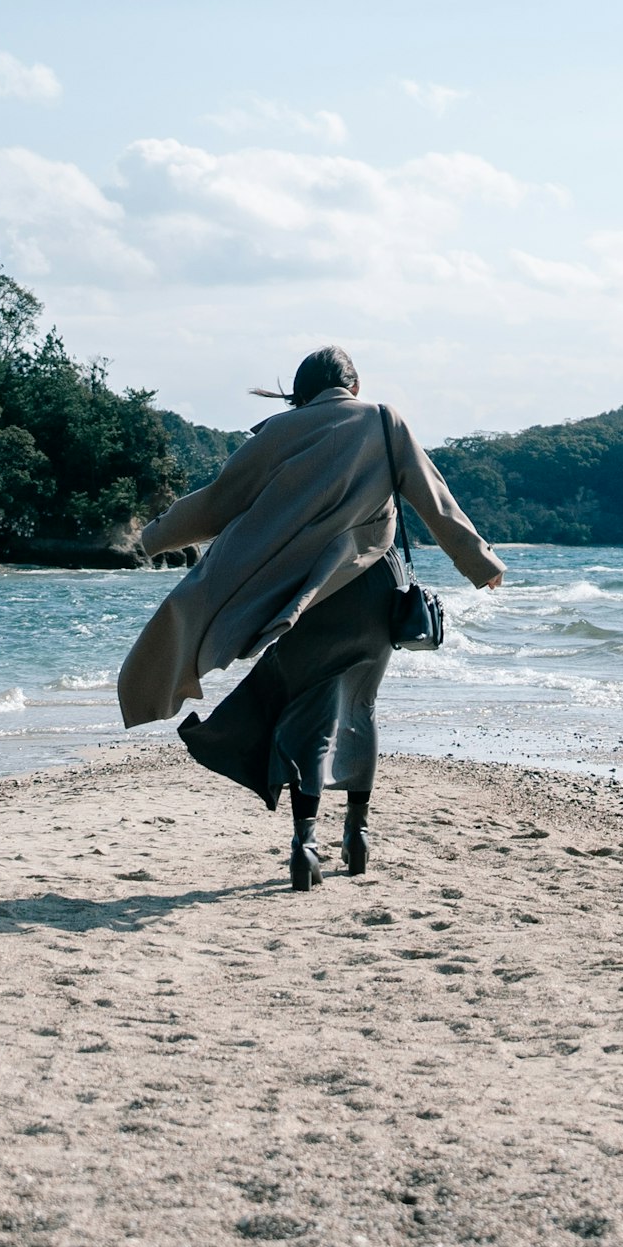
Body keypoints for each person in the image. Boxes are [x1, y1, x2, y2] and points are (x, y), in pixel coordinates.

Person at [114, 346, 505, 890]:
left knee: (308, 710)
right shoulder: (384, 421)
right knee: (360, 707)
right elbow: (433, 498)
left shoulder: (280, 432)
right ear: (355, 384)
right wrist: (479, 562)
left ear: (300, 390)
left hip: (312, 595)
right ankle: (359, 834)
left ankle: (305, 843)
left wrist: (155, 537)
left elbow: (219, 502)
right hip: (375, 591)